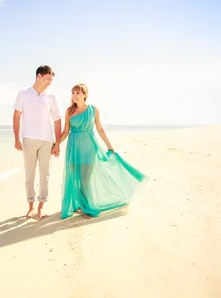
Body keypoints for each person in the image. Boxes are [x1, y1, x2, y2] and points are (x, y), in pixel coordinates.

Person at [57, 83, 145, 219]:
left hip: (89, 148)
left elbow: (99, 129)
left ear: (85, 95)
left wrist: (109, 145)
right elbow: (65, 131)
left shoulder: (93, 110)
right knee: (75, 179)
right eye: (73, 93)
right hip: (73, 148)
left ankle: (86, 207)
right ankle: (79, 204)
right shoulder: (69, 111)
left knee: (85, 180)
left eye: (77, 93)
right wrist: (56, 144)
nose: (74, 96)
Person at [13, 65, 62, 219]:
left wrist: (58, 143)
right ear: (39, 76)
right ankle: (30, 206)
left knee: (45, 175)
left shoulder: (51, 97)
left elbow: (57, 121)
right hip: (28, 139)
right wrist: (16, 138)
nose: (49, 82)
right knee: (29, 175)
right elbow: (16, 116)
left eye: (51, 80)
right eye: (48, 79)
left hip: (47, 141)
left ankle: (41, 207)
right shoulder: (23, 94)